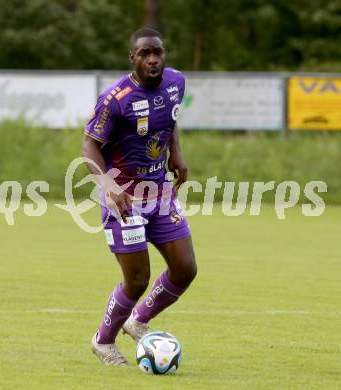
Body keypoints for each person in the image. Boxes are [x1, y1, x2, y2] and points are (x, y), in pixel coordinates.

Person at [83, 27, 197, 366]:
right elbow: (89, 145)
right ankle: (103, 342)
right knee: (136, 280)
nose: (152, 59)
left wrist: (175, 152)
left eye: (157, 53)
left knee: (185, 269)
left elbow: (170, 120)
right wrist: (108, 185)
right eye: (145, 53)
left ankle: (138, 321)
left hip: (160, 193)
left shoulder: (176, 82)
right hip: (125, 200)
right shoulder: (115, 99)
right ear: (132, 57)